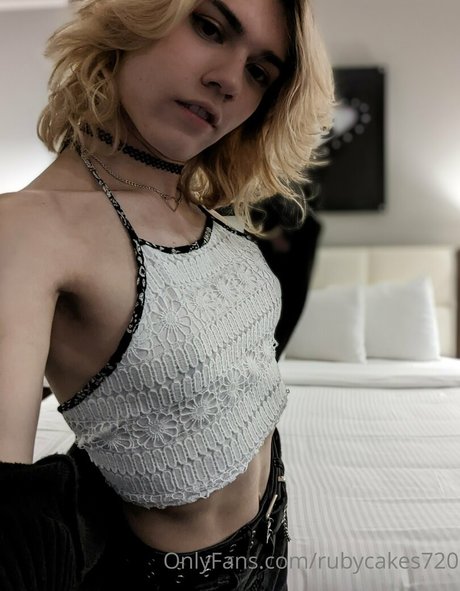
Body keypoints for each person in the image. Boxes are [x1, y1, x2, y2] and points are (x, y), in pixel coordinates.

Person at [0, 0, 334, 589]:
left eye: (260, 71)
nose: (230, 81)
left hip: (273, 538)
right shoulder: (29, 227)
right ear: (136, 16)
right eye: (209, 27)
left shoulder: (209, 213)